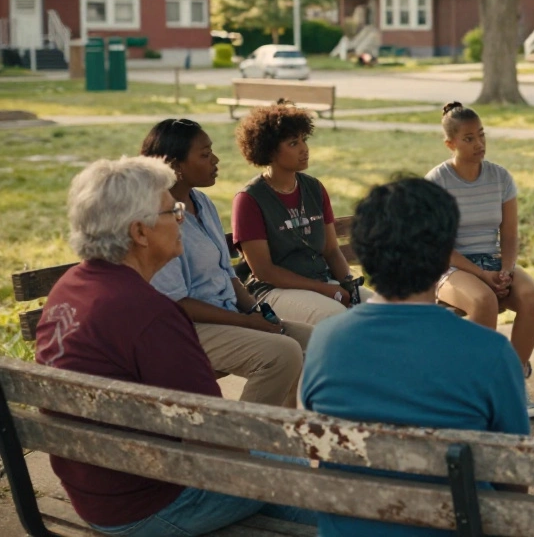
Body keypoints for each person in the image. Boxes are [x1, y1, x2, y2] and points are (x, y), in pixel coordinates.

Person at [35, 156, 315, 535]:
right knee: (330, 486)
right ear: (140, 232)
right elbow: (220, 439)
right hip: (153, 505)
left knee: (293, 470)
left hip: (102, 492)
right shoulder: (149, 313)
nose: (182, 218)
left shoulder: (71, 288)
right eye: (173, 211)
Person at [301, 177, 529, 537]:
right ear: (444, 256)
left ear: (365, 255)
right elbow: (513, 478)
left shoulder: (325, 341)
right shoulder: (491, 352)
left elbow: (319, 449)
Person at [143, 118, 311, 408]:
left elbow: (227, 273)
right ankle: (239, 441)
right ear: (174, 165)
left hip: (228, 313)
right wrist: (246, 322)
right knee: (281, 354)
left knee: (312, 341)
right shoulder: (156, 216)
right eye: (205, 155)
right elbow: (177, 304)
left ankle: (281, 436)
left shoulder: (203, 203)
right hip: (187, 328)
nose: (216, 160)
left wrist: (259, 313)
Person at [427, 102, 534, 418]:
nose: (479, 144)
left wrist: (506, 269)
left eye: (481, 135)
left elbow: (509, 235)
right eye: (468, 138)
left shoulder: (500, 177)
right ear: (450, 144)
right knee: (484, 302)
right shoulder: (437, 181)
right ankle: (477, 388)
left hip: (493, 262)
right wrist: (480, 273)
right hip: (451, 267)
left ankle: (512, 381)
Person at [231, 103, 366, 327]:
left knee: (384, 312)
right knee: (341, 321)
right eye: (293, 143)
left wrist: (348, 286)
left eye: (304, 139)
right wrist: (328, 290)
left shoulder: (313, 188)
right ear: (269, 150)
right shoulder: (249, 200)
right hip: (275, 291)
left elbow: (331, 250)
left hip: (323, 281)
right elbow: (264, 271)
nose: (304, 149)